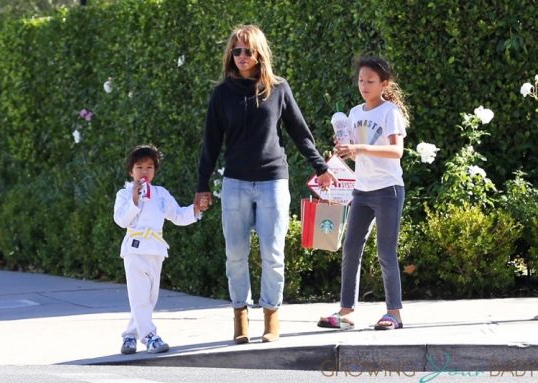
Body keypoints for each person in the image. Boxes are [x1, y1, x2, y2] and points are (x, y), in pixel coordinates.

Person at [194, 24, 335, 344]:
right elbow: (210, 144)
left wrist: (321, 168)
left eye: (248, 50)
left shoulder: (278, 88)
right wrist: (202, 185)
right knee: (235, 254)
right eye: (236, 50)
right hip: (235, 184)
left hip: (273, 181)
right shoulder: (221, 94)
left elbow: (300, 133)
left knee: (273, 253)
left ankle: (271, 315)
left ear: (260, 54)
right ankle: (240, 316)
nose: (242, 56)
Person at [318, 56, 410, 331]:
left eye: (370, 81)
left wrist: (360, 149)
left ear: (384, 83)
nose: (364, 85)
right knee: (350, 247)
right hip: (362, 190)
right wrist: (344, 150)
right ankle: (346, 312)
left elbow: (397, 152)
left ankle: (394, 313)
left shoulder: (389, 112)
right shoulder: (355, 113)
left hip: (388, 190)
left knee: (385, 252)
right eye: (361, 80)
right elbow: (358, 154)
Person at [114, 144, 201, 354]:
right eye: (139, 167)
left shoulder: (161, 193)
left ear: (155, 170)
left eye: (149, 167)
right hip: (135, 250)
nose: (144, 172)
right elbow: (120, 220)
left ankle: (129, 336)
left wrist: (195, 209)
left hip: (156, 250)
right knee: (139, 296)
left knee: (149, 298)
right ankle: (150, 336)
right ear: (131, 170)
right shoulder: (124, 193)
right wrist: (134, 199)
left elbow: (178, 216)